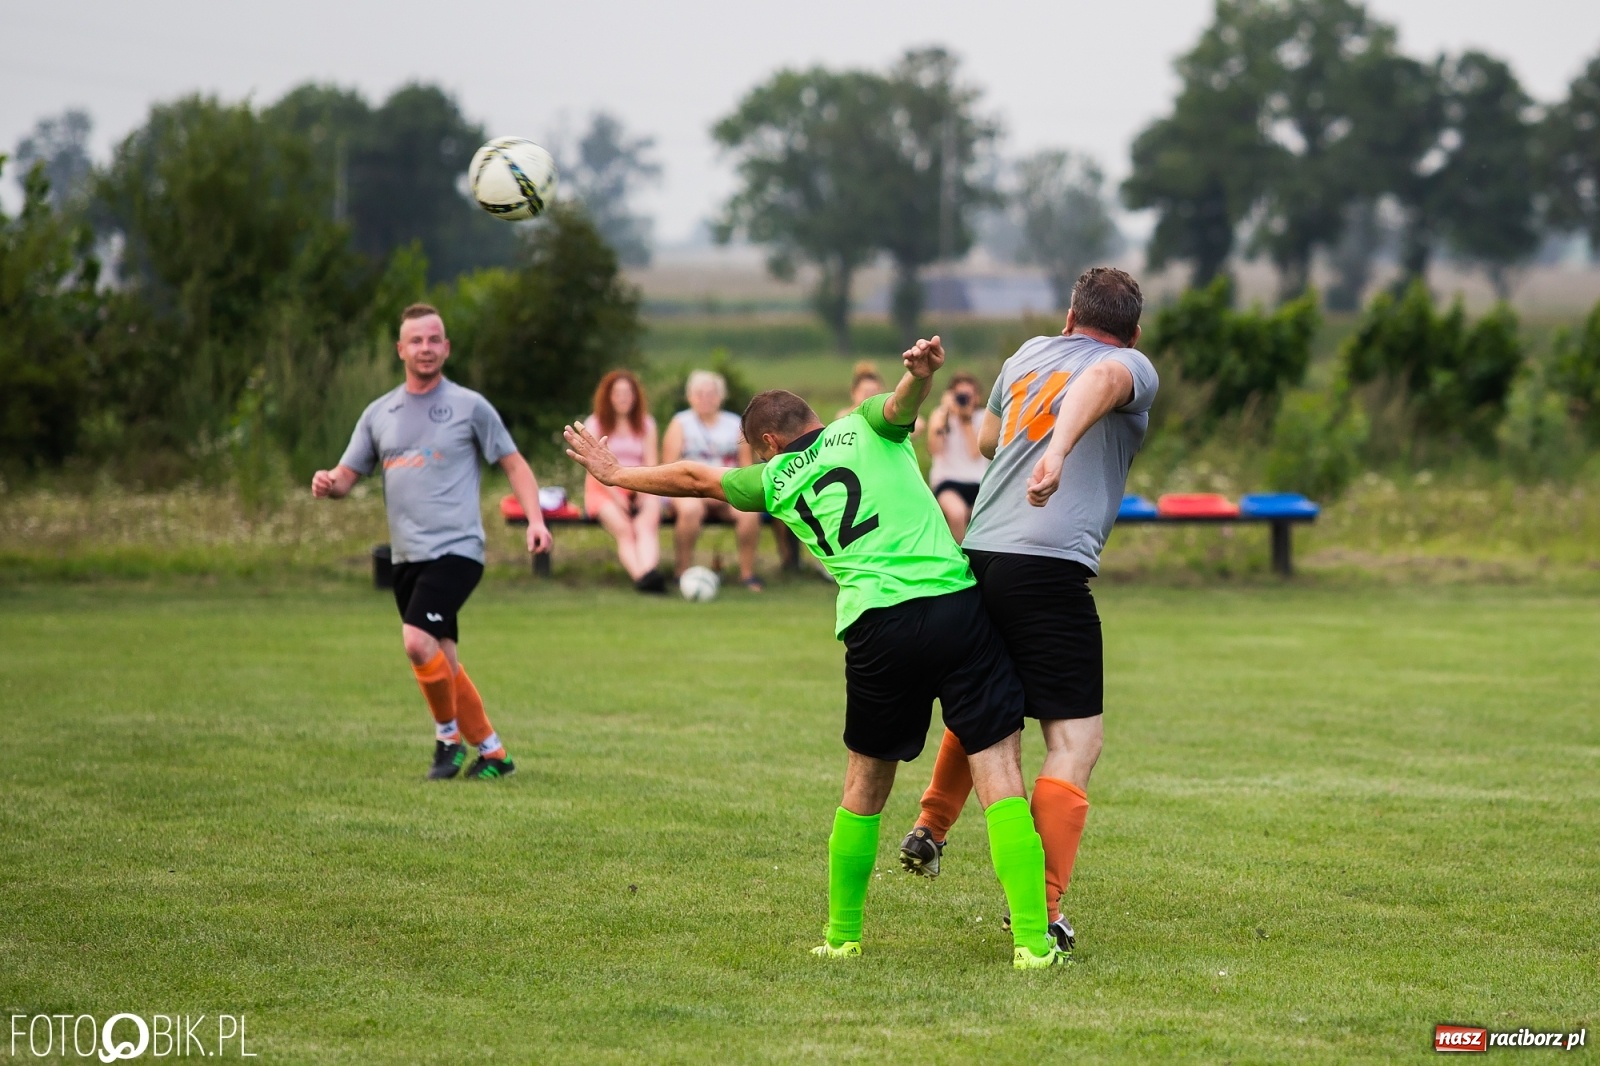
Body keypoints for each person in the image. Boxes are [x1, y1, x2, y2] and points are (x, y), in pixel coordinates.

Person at [565, 338, 1069, 970]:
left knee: (865, 783)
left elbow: (696, 477)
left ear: (768, 445)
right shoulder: (860, 426)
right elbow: (897, 404)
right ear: (809, 421)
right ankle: (1031, 944)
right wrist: (921, 377)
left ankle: (842, 937)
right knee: (999, 773)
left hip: (875, 628)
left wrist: (616, 474)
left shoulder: (775, 479)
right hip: (951, 607)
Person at [897, 267, 1159, 960]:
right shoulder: (1128, 365)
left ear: (1069, 317)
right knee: (1077, 743)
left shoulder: (1026, 356)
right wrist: (1062, 450)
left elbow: (988, 441)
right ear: (1132, 332)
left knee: (990, 705)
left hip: (979, 550)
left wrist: (1034, 438)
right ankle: (1040, 912)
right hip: (1046, 566)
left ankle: (931, 824)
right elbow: (1101, 383)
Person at [312, 303, 551, 781]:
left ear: (447, 348)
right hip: (406, 557)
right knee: (443, 658)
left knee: (417, 641)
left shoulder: (470, 406)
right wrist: (328, 483)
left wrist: (536, 520)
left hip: (458, 551)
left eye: (434, 339)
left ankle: (448, 741)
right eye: (416, 340)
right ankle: (494, 753)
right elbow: (347, 475)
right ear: (401, 349)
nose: (426, 348)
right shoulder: (379, 413)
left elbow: (514, 463)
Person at [662, 370, 763, 591]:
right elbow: (669, 467)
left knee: (749, 512)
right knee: (690, 510)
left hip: (726, 488)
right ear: (690, 397)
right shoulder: (680, 423)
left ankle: (747, 574)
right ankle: (681, 572)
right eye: (700, 393)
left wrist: (722, 490)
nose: (706, 398)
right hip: (688, 490)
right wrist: (702, 490)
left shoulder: (735, 423)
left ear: (721, 396)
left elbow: (746, 467)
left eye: (711, 393)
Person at [584, 370, 665, 593]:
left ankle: (650, 571)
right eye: (618, 393)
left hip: (640, 484)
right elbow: (593, 469)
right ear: (608, 397)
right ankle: (642, 577)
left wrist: (640, 492)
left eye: (628, 394)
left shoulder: (647, 424)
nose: (623, 398)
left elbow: (651, 463)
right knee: (624, 529)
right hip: (603, 488)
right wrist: (617, 498)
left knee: (645, 525)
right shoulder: (595, 423)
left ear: (635, 397)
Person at [925, 371, 990, 543]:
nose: (965, 400)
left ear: (977, 397)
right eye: (961, 396)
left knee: (985, 516)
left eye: (969, 396)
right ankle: (962, 555)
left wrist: (966, 422)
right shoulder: (939, 415)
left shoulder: (983, 417)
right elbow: (934, 449)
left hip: (978, 482)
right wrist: (946, 415)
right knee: (957, 513)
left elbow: (977, 453)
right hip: (948, 481)